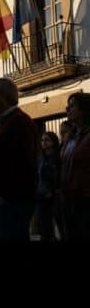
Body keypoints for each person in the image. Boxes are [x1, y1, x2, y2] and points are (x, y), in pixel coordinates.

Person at [0, 78, 37, 242]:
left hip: (8, 205)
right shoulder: (5, 123)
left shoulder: (19, 122)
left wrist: (5, 196)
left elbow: (22, 164)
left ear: (4, 95)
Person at [61, 92, 90, 241]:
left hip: (85, 200)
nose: (67, 109)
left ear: (84, 110)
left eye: (72, 106)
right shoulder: (71, 135)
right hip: (69, 199)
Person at [36, 131, 61, 242]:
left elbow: (58, 175)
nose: (44, 142)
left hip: (54, 196)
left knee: (58, 224)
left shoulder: (57, 157)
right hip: (41, 196)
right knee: (44, 226)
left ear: (53, 142)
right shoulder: (41, 158)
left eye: (47, 140)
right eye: (42, 140)